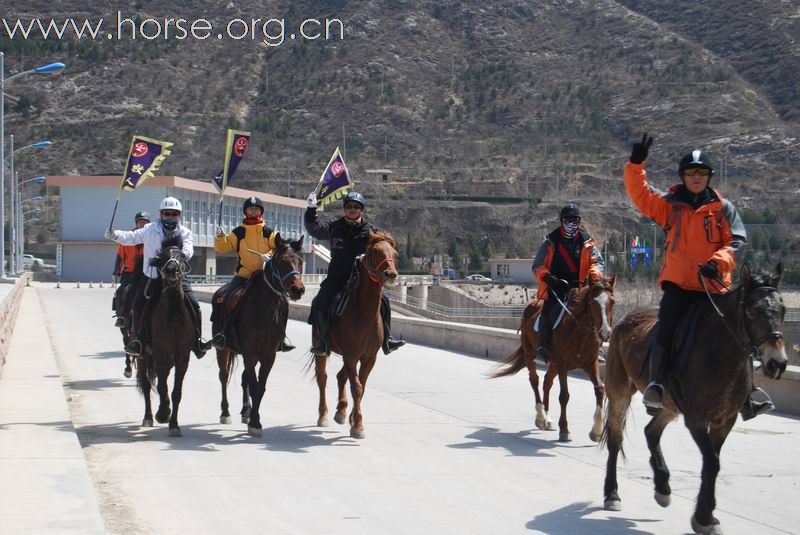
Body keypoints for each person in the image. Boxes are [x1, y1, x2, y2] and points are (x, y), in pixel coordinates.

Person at [625, 133, 773, 420]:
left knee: (739, 332)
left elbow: (738, 242)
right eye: (691, 172)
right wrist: (635, 164)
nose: (696, 176)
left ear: (709, 177)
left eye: (701, 172)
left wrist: (717, 263)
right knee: (666, 327)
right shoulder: (669, 205)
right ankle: (655, 384)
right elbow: (640, 196)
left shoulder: (723, 209)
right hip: (680, 285)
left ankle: (748, 394)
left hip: (715, 285)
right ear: (682, 176)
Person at [105, 196, 211, 359]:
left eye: (174, 214)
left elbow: (189, 250)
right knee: (138, 303)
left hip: (177, 277)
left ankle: (197, 341)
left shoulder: (185, 232)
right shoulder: (149, 229)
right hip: (153, 277)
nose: (170, 217)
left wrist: (178, 256)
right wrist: (114, 234)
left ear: (179, 216)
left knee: (195, 305)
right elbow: (131, 237)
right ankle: (138, 342)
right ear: (161, 214)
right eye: (167, 214)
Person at [305, 190, 405, 356]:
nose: (352, 209)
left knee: (385, 301)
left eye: (356, 207)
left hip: (361, 280)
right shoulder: (334, 227)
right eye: (349, 206)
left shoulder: (371, 232)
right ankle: (323, 341)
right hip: (337, 279)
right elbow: (314, 229)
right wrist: (311, 209)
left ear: (361, 210)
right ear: (344, 209)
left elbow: (386, 248)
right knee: (319, 301)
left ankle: (387, 338)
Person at [209, 196, 294, 351]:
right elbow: (223, 248)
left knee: (284, 302)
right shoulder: (238, 232)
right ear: (245, 211)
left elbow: (280, 249)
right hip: (243, 276)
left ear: (261, 212)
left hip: (265, 276)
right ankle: (222, 334)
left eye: (256, 209)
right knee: (226, 298)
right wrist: (220, 237)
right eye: (250, 209)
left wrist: (269, 255)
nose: (253, 211)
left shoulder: (270, 232)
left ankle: (281, 337)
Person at [532, 203, 604, 362]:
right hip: (555, 285)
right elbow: (537, 265)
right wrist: (548, 278)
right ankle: (542, 347)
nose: (571, 223)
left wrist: (594, 276)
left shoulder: (588, 242)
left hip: (579, 286)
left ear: (579, 221)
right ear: (561, 221)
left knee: (594, 311)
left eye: (574, 220)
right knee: (548, 310)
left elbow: (598, 262)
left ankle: (596, 349)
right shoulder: (550, 241)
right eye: (568, 220)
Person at [112, 211, 150, 328]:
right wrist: (117, 271)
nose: (142, 224)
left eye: (145, 222)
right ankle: (121, 316)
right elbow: (120, 256)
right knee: (121, 292)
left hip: (146, 273)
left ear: (148, 224)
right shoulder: (128, 239)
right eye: (140, 222)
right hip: (129, 272)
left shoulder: (152, 237)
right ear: (136, 223)